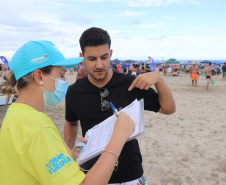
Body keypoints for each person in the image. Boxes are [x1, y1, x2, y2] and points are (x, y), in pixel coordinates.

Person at [0, 40, 135, 185]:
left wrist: (67, 155)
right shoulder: (37, 126)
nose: (64, 81)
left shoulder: (14, 112)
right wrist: (119, 136)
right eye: (61, 74)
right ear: (39, 77)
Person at [64, 27, 176, 185]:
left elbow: (169, 109)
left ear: (111, 53)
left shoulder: (131, 84)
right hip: (92, 174)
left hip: (130, 173)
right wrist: (69, 152)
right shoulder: (74, 91)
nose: (99, 64)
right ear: (82, 57)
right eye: (92, 59)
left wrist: (158, 79)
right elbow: (71, 122)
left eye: (104, 57)